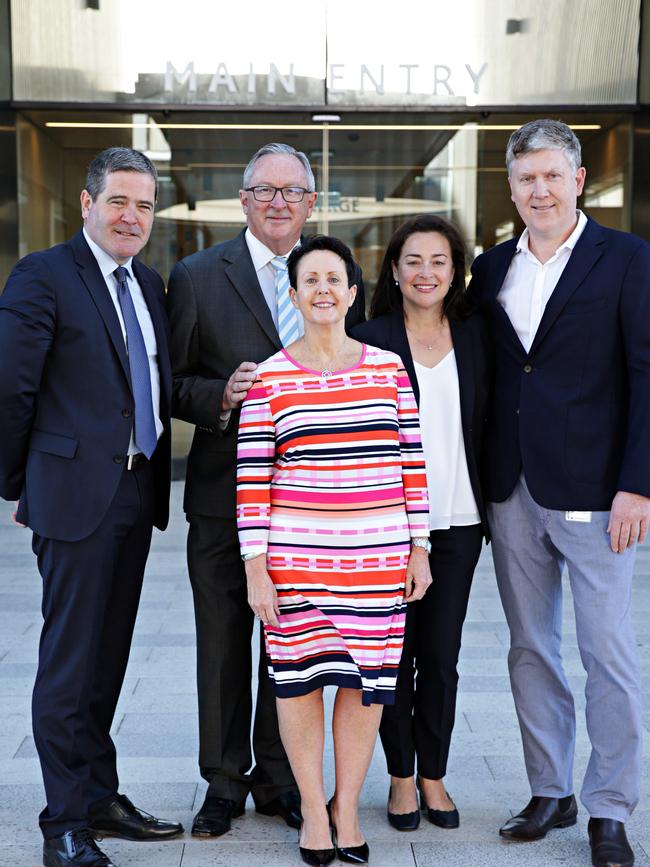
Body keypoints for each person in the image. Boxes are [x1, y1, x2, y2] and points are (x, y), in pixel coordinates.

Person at [166, 143, 365, 838]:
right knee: (222, 641)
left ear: (312, 203)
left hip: (313, 510)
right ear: (244, 200)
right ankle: (222, 782)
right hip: (224, 497)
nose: (279, 202)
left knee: (296, 646)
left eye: (293, 192)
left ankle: (281, 778)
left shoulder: (331, 269)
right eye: (264, 190)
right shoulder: (194, 275)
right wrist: (221, 393)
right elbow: (171, 382)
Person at [470, 119, 650, 867]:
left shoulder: (628, 258)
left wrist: (639, 483)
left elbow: (646, 372)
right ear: (510, 188)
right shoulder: (490, 269)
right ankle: (551, 789)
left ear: (578, 180)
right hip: (511, 486)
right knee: (529, 647)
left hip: (599, 492)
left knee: (608, 652)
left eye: (550, 175)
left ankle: (610, 806)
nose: (537, 189)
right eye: (524, 179)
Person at [0, 147, 182, 867]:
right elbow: (11, 390)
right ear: (87, 203)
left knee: (109, 658)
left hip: (134, 493)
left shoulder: (149, 283)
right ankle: (64, 821)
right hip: (74, 498)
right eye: (119, 202)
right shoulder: (44, 275)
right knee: (70, 662)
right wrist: (21, 485)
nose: (131, 216)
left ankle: (101, 795)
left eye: (143, 205)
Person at [236, 234, 431, 866]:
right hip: (295, 567)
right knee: (297, 688)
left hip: (376, 565)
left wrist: (419, 548)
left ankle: (349, 808)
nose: (322, 289)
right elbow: (252, 482)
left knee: (364, 690)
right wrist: (256, 569)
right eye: (309, 280)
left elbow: (412, 464)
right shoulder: (269, 376)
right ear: (293, 295)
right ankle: (314, 812)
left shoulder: (387, 369)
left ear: (351, 293)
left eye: (333, 279)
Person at [351, 215, 490, 831]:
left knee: (441, 656)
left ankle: (434, 774)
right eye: (413, 260)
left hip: (459, 521)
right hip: (388, 526)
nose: (425, 272)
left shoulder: (479, 334)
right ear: (395, 270)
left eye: (438, 261)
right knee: (390, 658)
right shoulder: (369, 338)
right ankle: (400, 778)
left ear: (455, 269)